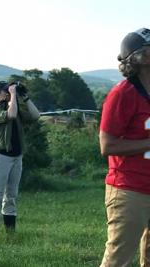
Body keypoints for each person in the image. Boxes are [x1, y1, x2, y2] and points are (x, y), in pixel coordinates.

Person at [99, 28, 150, 267]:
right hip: (129, 189)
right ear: (142, 57)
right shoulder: (123, 93)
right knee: (118, 261)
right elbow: (107, 145)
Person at [0, 79, 40, 237]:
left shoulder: (16, 109)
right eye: (7, 91)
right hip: (1, 157)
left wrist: (25, 97)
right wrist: (14, 94)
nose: (10, 93)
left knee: (11, 196)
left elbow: (36, 116)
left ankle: (10, 233)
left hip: (17, 157)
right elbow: (11, 114)